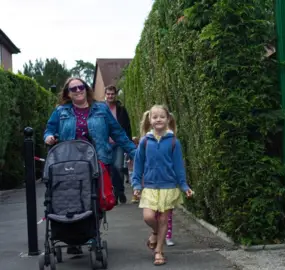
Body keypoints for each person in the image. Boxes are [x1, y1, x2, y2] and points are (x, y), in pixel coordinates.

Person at [44, 77, 137, 255]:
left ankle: (92, 233)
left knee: (97, 199)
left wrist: (135, 153)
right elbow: (49, 130)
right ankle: (73, 237)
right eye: (73, 89)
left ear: (86, 89)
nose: (78, 90)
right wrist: (48, 137)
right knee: (72, 197)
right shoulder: (61, 111)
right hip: (70, 163)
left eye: (81, 87)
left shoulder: (101, 108)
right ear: (68, 94)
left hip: (98, 161)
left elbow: (118, 133)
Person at [132, 104, 193, 266]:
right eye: (155, 117)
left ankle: (159, 251)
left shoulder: (174, 142)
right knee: (149, 217)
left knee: (164, 219)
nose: (158, 119)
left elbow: (179, 166)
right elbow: (138, 165)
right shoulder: (145, 141)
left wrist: (184, 186)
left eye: (162, 117)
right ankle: (155, 232)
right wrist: (136, 185)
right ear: (149, 120)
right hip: (150, 187)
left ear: (168, 119)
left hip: (169, 186)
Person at [104, 85, 132, 204]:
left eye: (112, 94)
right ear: (105, 95)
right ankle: (117, 192)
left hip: (119, 143)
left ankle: (118, 191)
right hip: (106, 144)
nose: (110, 96)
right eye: (108, 94)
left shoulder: (121, 109)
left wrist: (129, 145)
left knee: (119, 167)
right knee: (110, 169)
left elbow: (127, 127)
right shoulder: (100, 109)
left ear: (115, 95)